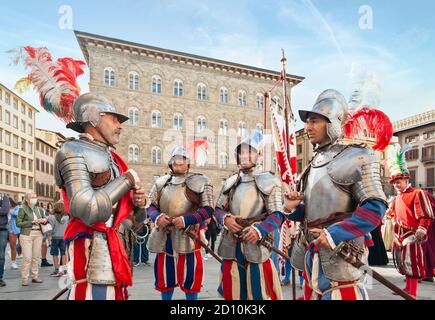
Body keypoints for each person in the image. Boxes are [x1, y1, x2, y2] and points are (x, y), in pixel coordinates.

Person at [284, 89, 387, 300]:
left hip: (343, 252)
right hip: (311, 251)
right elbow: (313, 212)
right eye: (307, 122)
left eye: (314, 121)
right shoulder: (312, 165)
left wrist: (334, 234)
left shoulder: (357, 156)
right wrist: (295, 208)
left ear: (332, 122)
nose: (307, 127)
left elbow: (376, 207)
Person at [54, 93, 147, 300]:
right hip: (89, 244)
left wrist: (139, 206)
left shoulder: (113, 159)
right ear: (94, 117)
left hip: (117, 243)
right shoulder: (72, 150)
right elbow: (89, 210)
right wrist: (126, 181)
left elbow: (135, 223)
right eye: (114, 119)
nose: (120, 126)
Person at [214, 131, 284, 300]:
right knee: (234, 293)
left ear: (258, 154)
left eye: (249, 151)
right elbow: (216, 209)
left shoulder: (269, 180)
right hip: (231, 243)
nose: (244, 155)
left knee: (259, 292)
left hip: (258, 244)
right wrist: (225, 219)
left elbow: (278, 215)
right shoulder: (231, 182)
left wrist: (260, 229)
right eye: (241, 152)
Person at [147, 146, 214, 300]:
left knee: (190, 279)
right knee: (165, 277)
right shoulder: (161, 182)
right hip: (164, 236)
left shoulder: (200, 181)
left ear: (188, 163)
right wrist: (157, 217)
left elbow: (208, 209)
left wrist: (187, 220)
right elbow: (150, 206)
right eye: (175, 158)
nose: (177, 161)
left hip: (189, 236)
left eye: (182, 158)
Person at [386, 144, 434, 298]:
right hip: (400, 235)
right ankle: (407, 288)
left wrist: (422, 228)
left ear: (406, 179)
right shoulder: (397, 198)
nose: (396, 185)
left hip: (412, 234)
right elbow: (392, 213)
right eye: (394, 183)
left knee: (412, 264)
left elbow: (426, 215)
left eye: (399, 182)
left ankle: (412, 292)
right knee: (403, 263)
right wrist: (390, 217)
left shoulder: (418, 193)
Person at [16, 192, 48, 286]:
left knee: (35, 257)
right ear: (26, 199)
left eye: (35, 197)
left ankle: (35, 276)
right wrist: (32, 222)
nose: (34, 199)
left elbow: (45, 219)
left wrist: (44, 220)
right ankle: (25, 278)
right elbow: (18, 223)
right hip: (26, 235)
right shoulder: (22, 209)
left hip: (38, 234)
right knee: (27, 258)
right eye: (32, 197)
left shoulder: (39, 210)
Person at [47, 201, 69, 277]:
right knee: (64, 253)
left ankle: (56, 269)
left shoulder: (51, 217)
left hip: (55, 237)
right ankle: (64, 269)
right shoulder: (67, 217)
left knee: (55, 254)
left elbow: (50, 228)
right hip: (64, 237)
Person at [0, 193, 11, 287]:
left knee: (1, 255)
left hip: (2, 229)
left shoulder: (3, 197)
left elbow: (4, 210)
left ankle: (0, 278)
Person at [8, 198, 21, 270]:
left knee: (13, 246)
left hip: (12, 228)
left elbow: (17, 214)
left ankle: (13, 262)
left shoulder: (17, 207)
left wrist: (9, 210)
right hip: (3, 227)